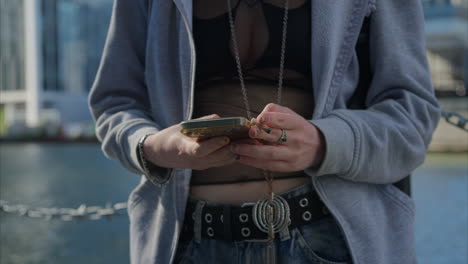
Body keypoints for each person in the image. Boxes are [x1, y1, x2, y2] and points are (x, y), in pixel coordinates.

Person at [88, 0, 440, 263]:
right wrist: (153, 147)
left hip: (329, 236)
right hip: (186, 241)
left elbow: (413, 118)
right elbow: (114, 104)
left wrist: (323, 143)